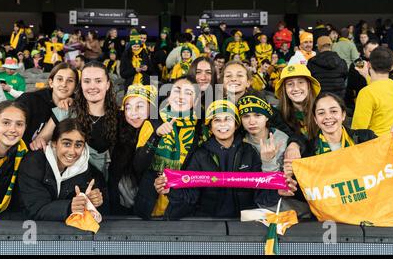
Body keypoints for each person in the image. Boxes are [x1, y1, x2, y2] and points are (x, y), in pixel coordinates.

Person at [152, 100, 281, 219]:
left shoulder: (249, 152)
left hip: (243, 226)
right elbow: (190, 198)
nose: (223, 124)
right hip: (209, 225)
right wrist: (170, 190)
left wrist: (278, 190)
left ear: (236, 125)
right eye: (217, 120)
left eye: (228, 119)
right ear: (210, 127)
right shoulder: (200, 155)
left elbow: (262, 198)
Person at [282, 93, 393, 207]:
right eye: (321, 113)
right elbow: (309, 193)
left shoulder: (365, 138)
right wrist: (288, 184)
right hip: (333, 220)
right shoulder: (307, 153)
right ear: (315, 119)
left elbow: (392, 166)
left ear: (343, 115)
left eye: (333, 111)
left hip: (369, 211)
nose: (328, 117)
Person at [31, 62, 118, 182]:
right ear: (80, 85)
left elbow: (154, 82)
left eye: (98, 81)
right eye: (87, 81)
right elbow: (40, 141)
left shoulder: (118, 116)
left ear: (107, 84)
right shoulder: (65, 110)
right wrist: (40, 142)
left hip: (99, 183)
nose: (92, 86)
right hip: (63, 181)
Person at [133, 77, 202, 220]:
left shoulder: (199, 131)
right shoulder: (152, 124)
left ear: (195, 101)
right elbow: (138, 166)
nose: (181, 97)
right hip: (149, 208)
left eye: (188, 93)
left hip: (181, 210)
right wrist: (156, 136)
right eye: (177, 90)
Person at [17, 118, 106, 221]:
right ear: (54, 143)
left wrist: (94, 202)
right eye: (66, 144)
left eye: (78, 145)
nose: (72, 152)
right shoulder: (33, 163)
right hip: (24, 228)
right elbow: (36, 209)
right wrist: (69, 207)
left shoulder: (90, 173)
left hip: (68, 233)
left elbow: (102, 214)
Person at [108, 84, 157, 215]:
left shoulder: (159, 132)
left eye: (139, 106)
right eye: (128, 107)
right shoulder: (117, 133)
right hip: (122, 209)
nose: (133, 113)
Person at [17, 63, 78, 145]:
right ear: (51, 83)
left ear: (75, 87)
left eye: (70, 81)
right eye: (60, 79)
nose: (64, 84)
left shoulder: (77, 105)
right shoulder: (29, 100)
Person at [352, 47, 393, 136]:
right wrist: (366, 75)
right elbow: (380, 89)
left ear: (369, 65)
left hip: (374, 145)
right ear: (392, 66)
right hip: (391, 143)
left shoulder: (366, 93)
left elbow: (358, 130)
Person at [238, 95, 288, 172]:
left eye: (258, 115)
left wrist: (268, 161)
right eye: (246, 116)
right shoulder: (238, 141)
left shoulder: (282, 140)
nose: (252, 122)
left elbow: (283, 180)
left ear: (267, 117)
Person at [275, 64, 321, 139]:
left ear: (308, 86)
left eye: (301, 82)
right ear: (284, 89)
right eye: (290, 84)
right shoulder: (278, 115)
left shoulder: (323, 110)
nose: (296, 88)